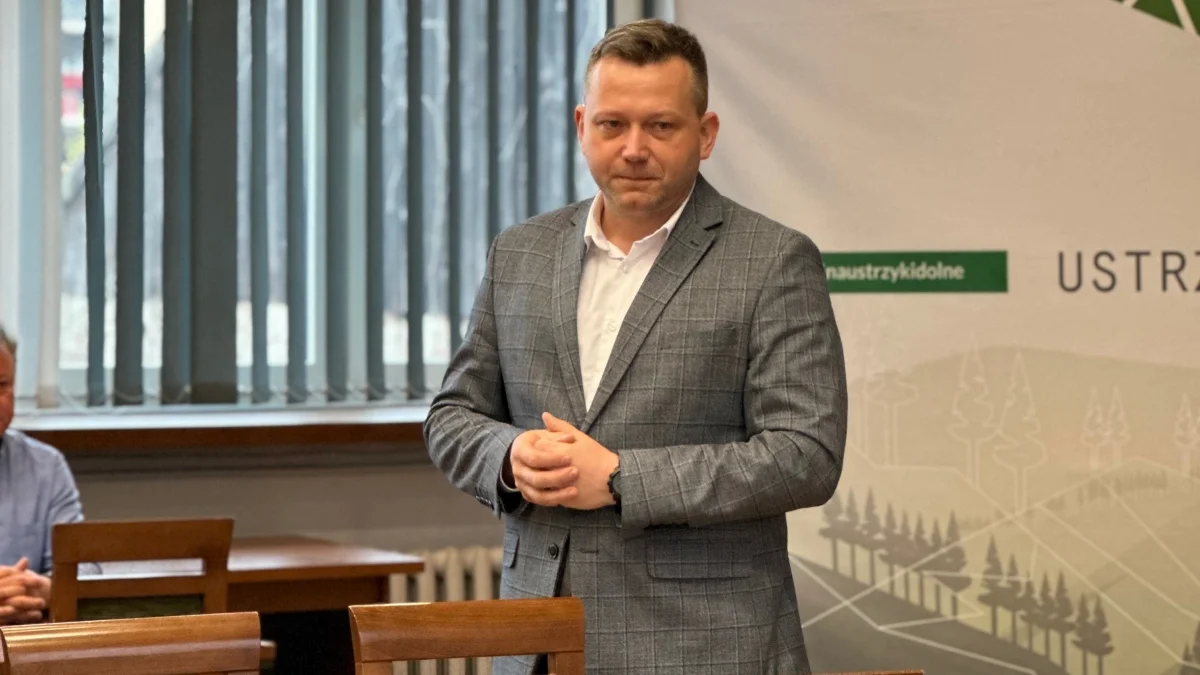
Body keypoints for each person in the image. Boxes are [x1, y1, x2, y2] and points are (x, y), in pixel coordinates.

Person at [424, 18, 847, 675]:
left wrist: (623, 479)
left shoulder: (773, 261)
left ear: (705, 134)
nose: (633, 148)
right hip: (537, 642)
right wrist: (509, 456)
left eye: (661, 126)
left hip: (703, 648)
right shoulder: (520, 252)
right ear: (581, 126)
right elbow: (452, 416)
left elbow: (805, 453)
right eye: (612, 124)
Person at [0, 324, 90, 624]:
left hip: (28, 637)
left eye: (1, 385)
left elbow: (84, 568)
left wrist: (45, 590)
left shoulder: (45, 466)